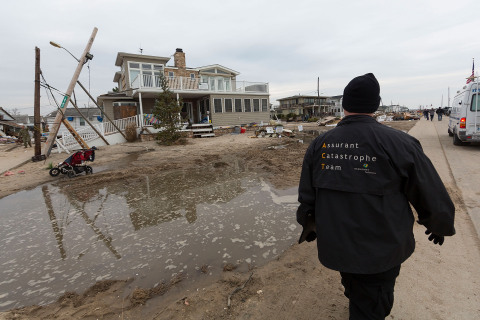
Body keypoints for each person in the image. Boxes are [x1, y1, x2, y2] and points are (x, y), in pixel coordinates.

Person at [296, 73, 455, 319]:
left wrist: (309, 223)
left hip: (338, 243)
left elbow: (307, 195)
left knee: (357, 286)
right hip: (381, 247)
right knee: (373, 301)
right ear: (375, 105)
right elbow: (428, 189)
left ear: (345, 105)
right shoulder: (400, 143)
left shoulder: (321, 144)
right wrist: (438, 223)